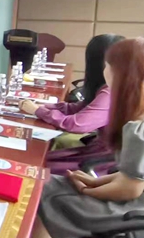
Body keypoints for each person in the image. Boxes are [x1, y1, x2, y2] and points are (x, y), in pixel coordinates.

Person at [8, 38, 144, 238]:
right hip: (139, 195)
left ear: (124, 73)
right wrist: (94, 182)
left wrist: (88, 190)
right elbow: (130, 175)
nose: (106, 69)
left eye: (110, 65)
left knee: (48, 193)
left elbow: (131, 189)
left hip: (142, 208)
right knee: (47, 185)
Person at [18, 34, 124, 173]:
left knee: (34, 163)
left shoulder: (111, 92)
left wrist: (38, 111)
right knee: (38, 156)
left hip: (103, 160)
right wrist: (42, 106)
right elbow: (79, 108)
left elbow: (77, 124)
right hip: (99, 150)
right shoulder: (111, 86)